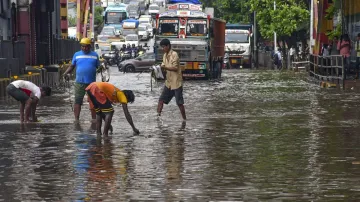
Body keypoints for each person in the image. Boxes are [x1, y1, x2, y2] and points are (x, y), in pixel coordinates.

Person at [63, 38, 100, 122]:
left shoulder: (95, 55)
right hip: (79, 82)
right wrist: (65, 73)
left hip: (91, 83)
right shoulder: (76, 54)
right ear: (81, 46)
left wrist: (102, 68)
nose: (84, 48)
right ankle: (76, 120)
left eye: (86, 46)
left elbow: (99, 67)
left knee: (93, 101)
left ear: (90, 46)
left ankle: (94, 119)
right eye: (83, 46)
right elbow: (72, 66)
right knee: (78, 101)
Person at [157, 38, 186, 120]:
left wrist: (164, 67)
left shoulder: (174, 54)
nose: (163, 49)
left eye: (164, 47)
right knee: (161, 100)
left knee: (179, 103)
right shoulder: (164, 56)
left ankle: (184, 120)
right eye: (162, 47)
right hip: (168, 83)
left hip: (176, 83)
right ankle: (157, 118)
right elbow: (163, 67)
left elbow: (175, 68)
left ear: (168, 46)